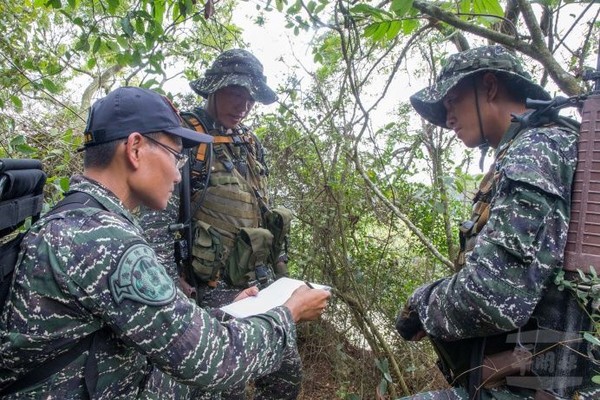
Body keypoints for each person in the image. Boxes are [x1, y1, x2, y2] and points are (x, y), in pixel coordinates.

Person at [0, 86, 331, 399]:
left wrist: (222, 314)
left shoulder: (82, 214)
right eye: (176, 155)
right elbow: (215, 362)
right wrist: (290, 312)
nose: (177, 174)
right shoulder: (102, 238)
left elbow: (153, 321)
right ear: (134, 148)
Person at [395, 45, 598, 399]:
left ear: (489, 88)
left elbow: (493, 296)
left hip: (549, 386)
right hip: (532, 374)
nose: (448, 119)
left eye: (452, 101)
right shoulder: (538, 146)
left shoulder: (537, 149)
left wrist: (421, 303)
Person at [138, 49, 302, 400]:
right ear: (214, 89)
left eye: (250, 96)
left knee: (286, 376)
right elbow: (157, 222)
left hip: (258, 281)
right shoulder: (185, 138)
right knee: (226, 386)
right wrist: (173, 293)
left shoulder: (249, 143)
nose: (243, 104)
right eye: (235, 93)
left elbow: (257, 208)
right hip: (211, 290)